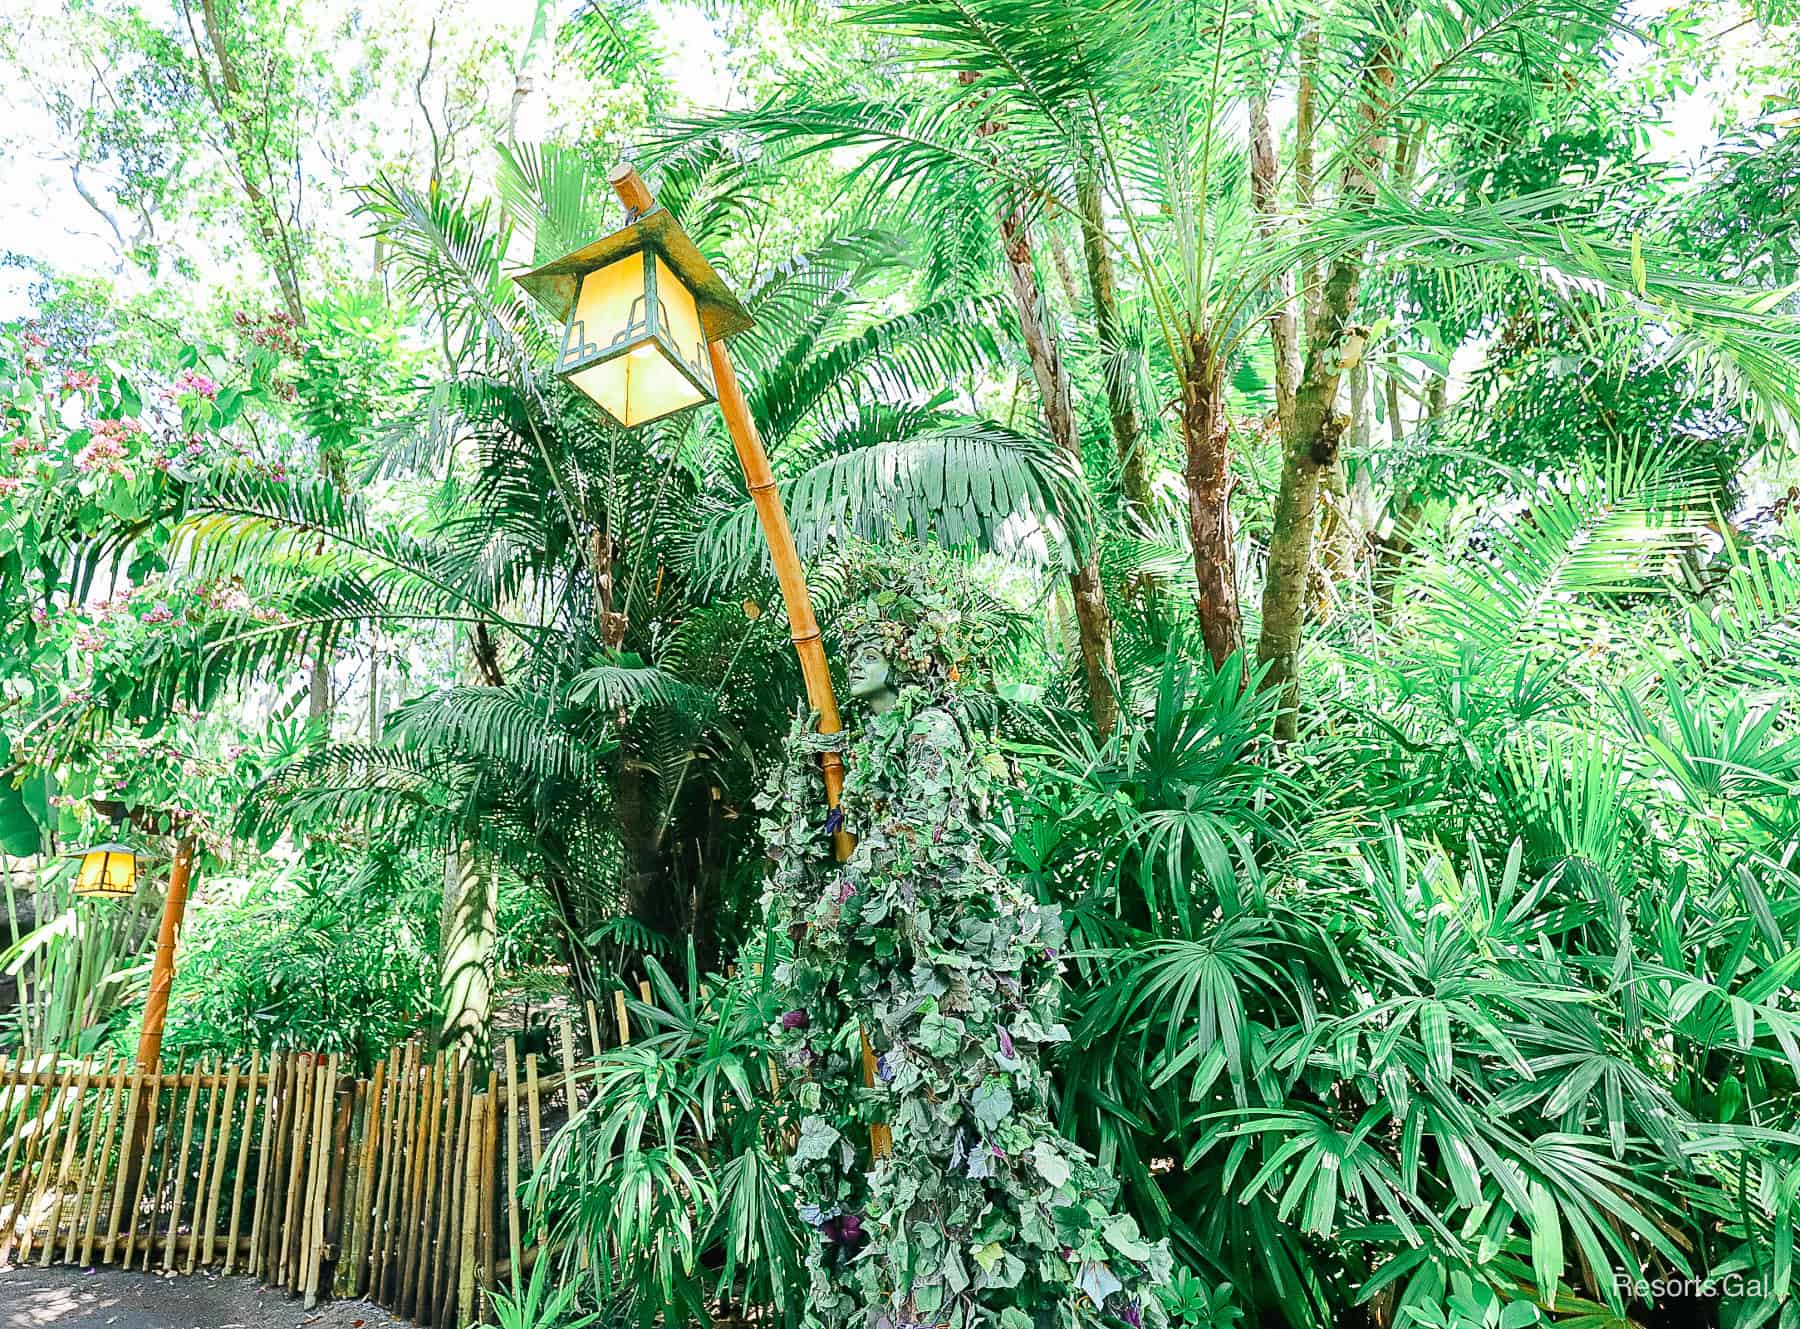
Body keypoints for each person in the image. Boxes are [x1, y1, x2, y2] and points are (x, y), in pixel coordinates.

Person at [759, 554, 1167, 1329]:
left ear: (913, 651)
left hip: (956, 964)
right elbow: (843, 836)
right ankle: (919, 1297)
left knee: (992, 1140)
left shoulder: (933, 729)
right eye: (850, 647)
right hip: (900, 971)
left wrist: (837, 905)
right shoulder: (862, 743)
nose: (857, 655)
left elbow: (917, 836)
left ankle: (1089, 1297)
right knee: (919, 1147)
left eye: (875, 641)